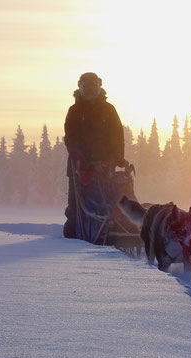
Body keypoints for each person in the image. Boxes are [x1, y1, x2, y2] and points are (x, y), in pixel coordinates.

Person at [63, 72, 125, 238]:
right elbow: (71, 138)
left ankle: (114, 232)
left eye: (93, 85)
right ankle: (72, 239)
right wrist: (80, 159)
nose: (90, 89)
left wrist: (117, 156)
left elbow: (118, 135)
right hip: (80, 169)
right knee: (77, 206)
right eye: (86, 86)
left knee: (114, 202)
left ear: (99, 86)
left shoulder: (109, 110)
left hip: (106, 167)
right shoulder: (74, 111)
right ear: (80, 87)